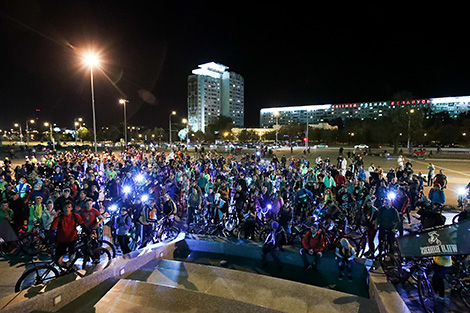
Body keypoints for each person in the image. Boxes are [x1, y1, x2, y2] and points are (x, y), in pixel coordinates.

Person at [50, 200, 90, 268]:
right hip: (61, 241)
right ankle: (67, 267)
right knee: (57, 261)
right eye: (65, 207)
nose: (67, 209)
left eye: (69, 207)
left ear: (71, 208)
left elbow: (82, 224)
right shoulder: (59, 218)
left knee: (72, 258)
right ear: (63, 208)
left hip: (72, 240)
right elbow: (52, 229)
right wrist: (51, 239)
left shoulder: (75, 216)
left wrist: (88, 232)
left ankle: (70, 268)